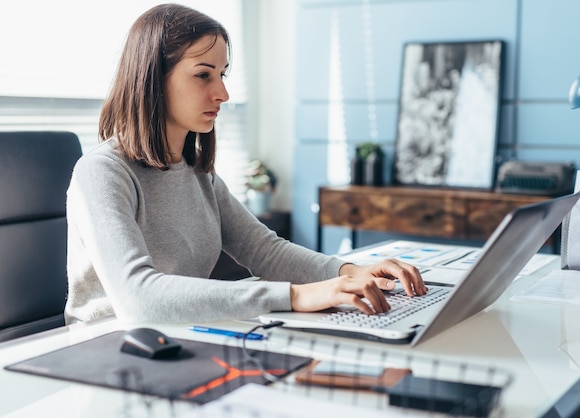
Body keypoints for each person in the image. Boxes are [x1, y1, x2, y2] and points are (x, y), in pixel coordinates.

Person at [64, 3, 427, 325]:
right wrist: (296, 297)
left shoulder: (197, 174)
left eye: (221, 75)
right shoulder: (102, 173)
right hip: (105, 348)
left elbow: (265, 252)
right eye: (203, 74)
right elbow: (137, 299)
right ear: (153, 78)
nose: (222, 93)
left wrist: (348, 272)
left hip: (182, 338)